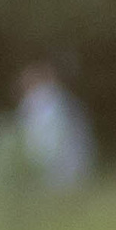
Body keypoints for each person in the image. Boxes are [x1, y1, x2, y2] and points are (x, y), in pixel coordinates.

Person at [16, 62, 95, 190]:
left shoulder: (46, 101)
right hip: (63, 161)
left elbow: (47, 136)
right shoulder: (52, 100)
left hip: (57, 161)